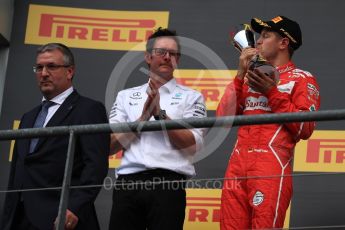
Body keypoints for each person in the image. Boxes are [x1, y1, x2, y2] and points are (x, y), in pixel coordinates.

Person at [217, 16, 321, 229]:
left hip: (270, 167)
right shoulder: (247, 78)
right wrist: (239, 75)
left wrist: (272, 92)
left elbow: (305, 128)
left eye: (265, 36)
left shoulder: (302, 78)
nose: (258, 41)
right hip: (237, 166)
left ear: (284, 43)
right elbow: (222, 120)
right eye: (258, 36)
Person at [1, 43, 109, 230]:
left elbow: (96, 165)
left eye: (51, 66)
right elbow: (19, 168)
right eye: (39, 67)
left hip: (60, 218)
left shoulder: (89, 109)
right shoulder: (28, 117)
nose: (43, 73)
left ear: (69, 72)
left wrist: (75, 208)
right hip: (19, 218)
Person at [108, 27, 206, 230]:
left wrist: (160, 115)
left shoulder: (192, 97)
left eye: (173, 54)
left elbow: (192, 146)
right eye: (162, 52)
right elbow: (109, 146)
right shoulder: (125, 96)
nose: (167, 57)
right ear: (148, 56)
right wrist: (143, 118)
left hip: (169, 185)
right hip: (128, 184)